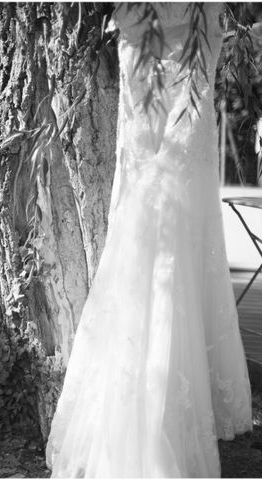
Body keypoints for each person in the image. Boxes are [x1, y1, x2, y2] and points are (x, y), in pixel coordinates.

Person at [46, 3, 252, 477]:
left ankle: (154, 410)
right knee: (160, 239)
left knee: (162, 237)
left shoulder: (140, 11)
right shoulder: (197, 10)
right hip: (158, 169)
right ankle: (151, 416)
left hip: (168, 169)